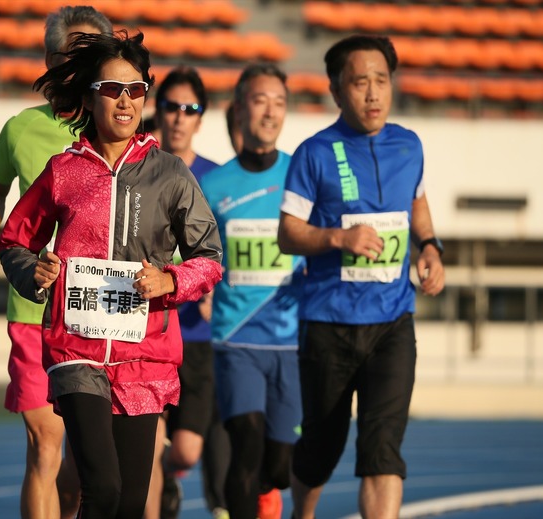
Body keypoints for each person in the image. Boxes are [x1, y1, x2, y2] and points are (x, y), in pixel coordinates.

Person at [0, 31, 223, 517]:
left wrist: (171, 280)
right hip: (74, 347)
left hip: (145, 354)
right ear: (88, 97)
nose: (125, 101)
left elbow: (209, 256)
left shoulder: (171, 174)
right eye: (111, 90)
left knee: (130, 502)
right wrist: (33, 270)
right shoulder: (64, 171)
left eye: (136, 90)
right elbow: (15, 239)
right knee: (101, 488)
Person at [276, 34, 446, 519]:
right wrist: (337, 239)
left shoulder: (409, 145)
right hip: (328, 324)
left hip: (393, 321)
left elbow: (416, 199)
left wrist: (430, 245)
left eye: (381, 81)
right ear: (336, 90)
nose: (373, 93)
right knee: (322, 448)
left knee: (382, 449)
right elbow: (288, 234)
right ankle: (302, 513)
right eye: (359, 82)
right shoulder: (315, 153)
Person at [0, 7, 112, 519]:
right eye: (76, 50)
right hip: (34, 308)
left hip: (101, 315)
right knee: (45, 443)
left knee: (82, 469)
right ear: (52, 60)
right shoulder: (21, 129)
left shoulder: (119, 128)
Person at [199, 63, 303, 519]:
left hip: (292, 342)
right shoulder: (213, 186)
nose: (270, 112)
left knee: (279, 467)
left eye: (279, 102)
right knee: (246, 444)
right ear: (240, 109)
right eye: (261, 100)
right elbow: (195, 254)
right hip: (236, 340)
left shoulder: (302, 175)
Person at [145, 66, 231, 519]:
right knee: (147, 443)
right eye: (171, 107)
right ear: (156, 112)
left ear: (201, 118)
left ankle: (169, 481)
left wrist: (217, 283)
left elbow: (226, 250)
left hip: (198, 338)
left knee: (185, 452)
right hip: (148, 329)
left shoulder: (215, 180)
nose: (179, 117)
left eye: (189, 109)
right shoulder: (139, 171)